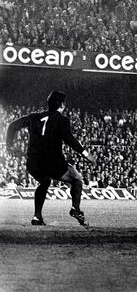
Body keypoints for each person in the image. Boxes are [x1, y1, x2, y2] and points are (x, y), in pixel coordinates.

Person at [6, 91, 96, 226]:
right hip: (52, 162)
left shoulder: (33, 117)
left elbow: (12, 126)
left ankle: (37, 217)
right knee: (76, 179)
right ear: (61, 104)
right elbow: (69, 139)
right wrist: (85, 153)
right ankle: (75, 209)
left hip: (33, 163)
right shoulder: (62, 120)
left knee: (44, 182)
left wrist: (9, 145)